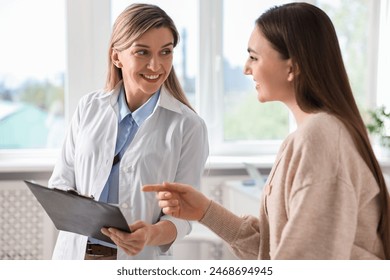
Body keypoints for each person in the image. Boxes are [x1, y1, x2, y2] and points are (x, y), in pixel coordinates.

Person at [143, 2, 390, 260]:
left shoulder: (321, 137)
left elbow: (305, 263)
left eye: (254, 57)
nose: (246, 68)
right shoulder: (304, 137)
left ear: (292, 67)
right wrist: (205, 210)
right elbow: (273, 249)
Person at [48, 3, 209, 260]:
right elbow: (60, 182)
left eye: (165, 52)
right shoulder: (89, 107)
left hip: (138, 261)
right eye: (142, 52)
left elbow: (183, 217)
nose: (156, 65)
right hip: (75, 257)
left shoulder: (188, 126)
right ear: (116, 56)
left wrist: (150, 235)